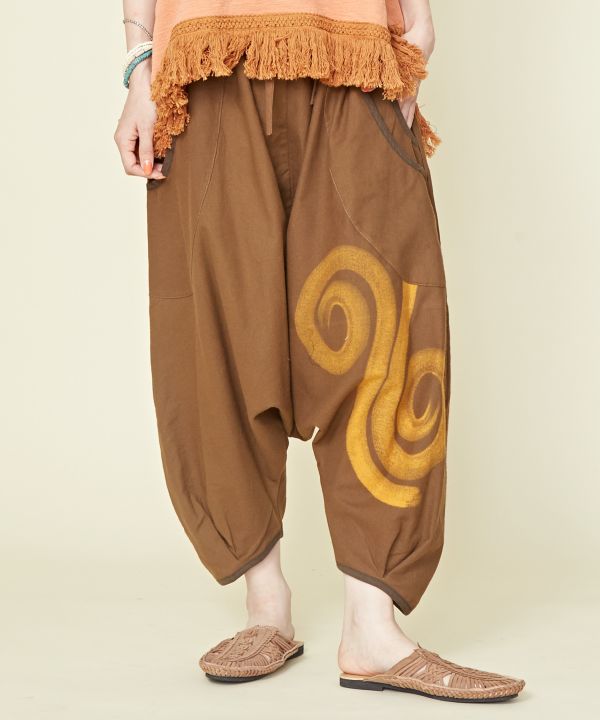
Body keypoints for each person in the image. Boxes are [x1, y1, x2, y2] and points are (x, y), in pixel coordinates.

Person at [115, 0, 525, 703]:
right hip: (204, 54)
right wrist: (138, 65)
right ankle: (265, 605)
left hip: (354, 45)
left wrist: (419, 21)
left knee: (387, 318)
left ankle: (372, 627)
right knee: (217, 331)